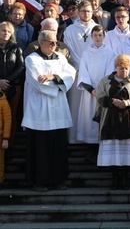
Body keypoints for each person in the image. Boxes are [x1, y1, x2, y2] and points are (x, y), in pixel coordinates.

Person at [22, 30, 76, 192]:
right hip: (39, 108)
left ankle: (58, 179)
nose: (55, 46)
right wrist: (59, 85)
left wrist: (54, 77)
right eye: (51, 42)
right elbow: (37, 82)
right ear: (41, 42)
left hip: (58, 108)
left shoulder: (60, 57)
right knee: (40, 147)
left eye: (56, 42)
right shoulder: (32, 59)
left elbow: (70, 74)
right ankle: (38, 181)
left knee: (58, 146)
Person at [95, 54, 130, 190]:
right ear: (116, 67)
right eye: (121, 68)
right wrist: (113, 101)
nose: (124, 71)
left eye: (127, 68)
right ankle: (115, 178)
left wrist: (128, 102)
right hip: (110, 121)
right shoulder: (105, 81)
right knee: (114, 152)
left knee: (126, 151)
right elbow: (99, 96)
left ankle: (125, 177)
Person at [76, 25, 116, 154]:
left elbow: (111, 71)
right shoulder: (86, 53)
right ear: (91, 37)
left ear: (104, 37)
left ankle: (103, 148)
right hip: (91, 92)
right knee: (89, 118)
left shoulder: (110, 53)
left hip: (104, 91)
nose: (98, 37)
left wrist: (102, 88)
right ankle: (91, 149)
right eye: (95, 35)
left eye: (100, 35)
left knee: (104, 118)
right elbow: (83, 72)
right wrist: (91, 89)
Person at [63, 0, 97, 143]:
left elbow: (100, 50)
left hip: (93, 74)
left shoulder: (97, 28)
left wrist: (89, 69)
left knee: (91, 108)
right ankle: (73, 138)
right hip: (76, 72)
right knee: (75, 105)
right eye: (83, 11)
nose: (86, 14)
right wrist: (81, 66)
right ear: (78, 11)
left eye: (89, 11)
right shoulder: (70, 29)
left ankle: (90, 138)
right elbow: (68, 49)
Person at [0, 21, 24, 158]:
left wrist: (6, 81)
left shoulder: (16, 48)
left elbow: (21, 67)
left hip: (13, 87)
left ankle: (9, 146)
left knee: (12, 117)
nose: (6, 33)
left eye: (9, 31)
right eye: (3, 30)